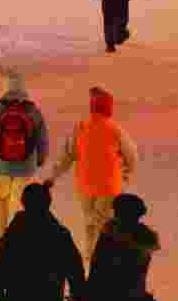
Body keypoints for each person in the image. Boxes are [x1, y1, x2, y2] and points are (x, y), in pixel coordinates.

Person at [43, 86, 138, 262]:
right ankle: (102, 261)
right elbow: (132, 155)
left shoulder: (80, 128)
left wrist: (52, 177)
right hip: (110, 187)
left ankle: (89, 256)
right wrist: (126, 174)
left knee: (90, 223)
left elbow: (66, 156)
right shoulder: (115, 130)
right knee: (104, 224)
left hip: (84, 187)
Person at [0, 69, 49, 249]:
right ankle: (18, 237)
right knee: (20, 203)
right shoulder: (32, 110)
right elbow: (42, 138)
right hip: (25, 167)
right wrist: (40, 159)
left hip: (0, 167)